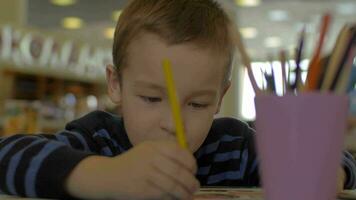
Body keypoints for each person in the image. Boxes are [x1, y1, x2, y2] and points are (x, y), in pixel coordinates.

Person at [0, 0, 355, 199]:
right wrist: (102, 175)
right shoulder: (98, 139)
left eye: (197, 104)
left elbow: (335, 161)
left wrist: (328, 172)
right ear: (116, 85)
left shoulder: (235, 144)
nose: (173, 122)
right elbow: (6, 155)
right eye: (152, 98)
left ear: (221, 97)